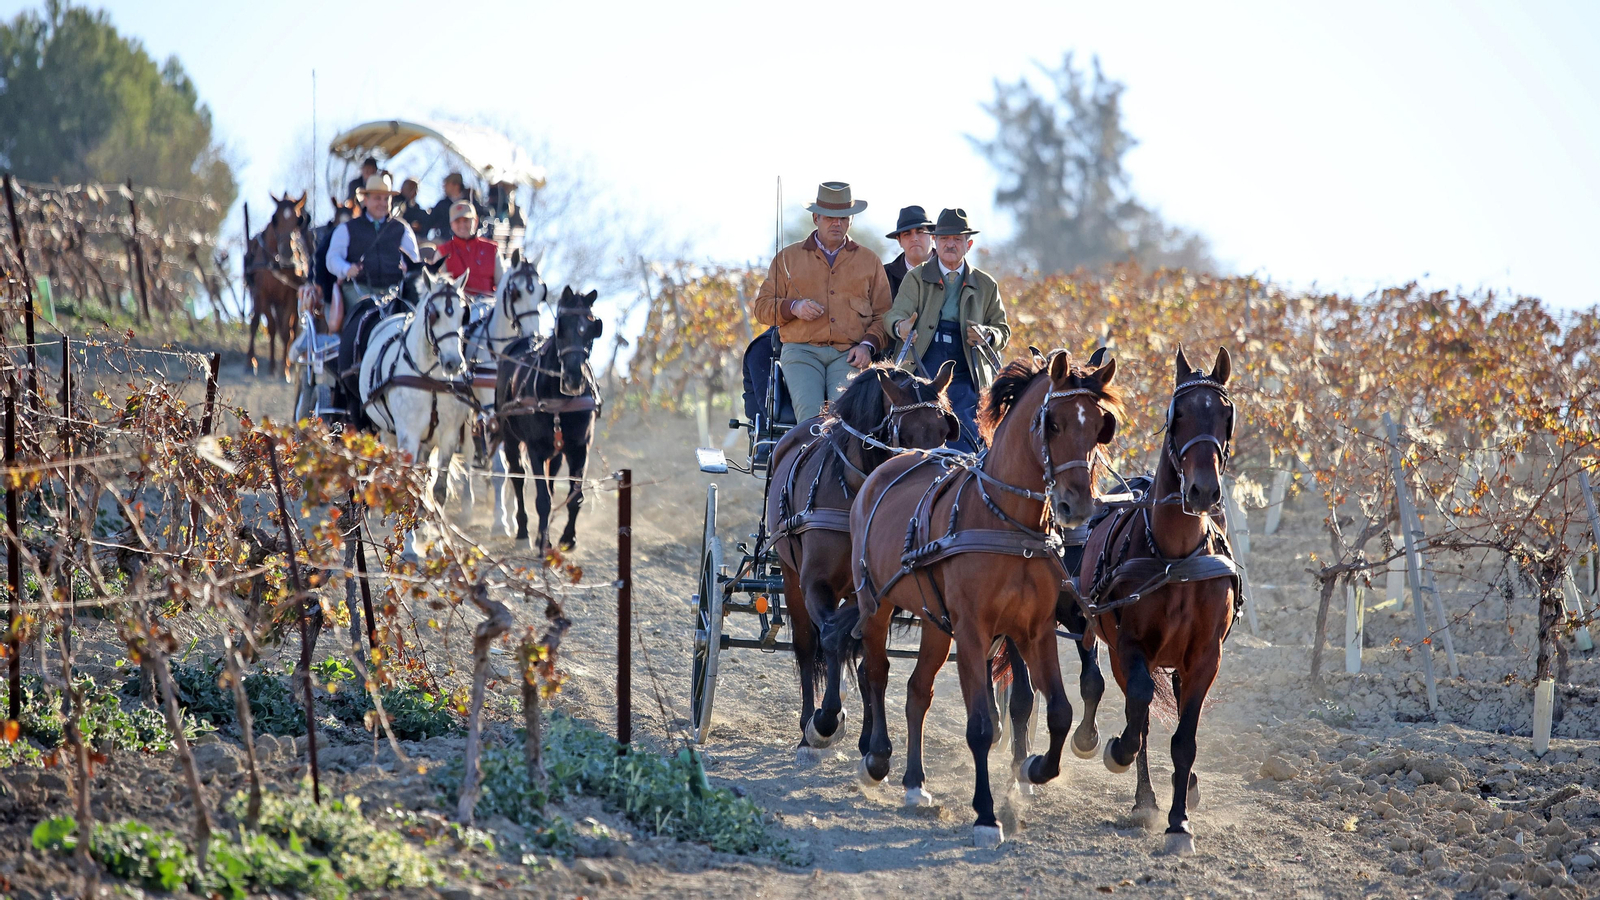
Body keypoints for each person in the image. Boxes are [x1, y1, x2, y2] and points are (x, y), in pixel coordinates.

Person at [752, 182, 893, 423]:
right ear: (816, 217)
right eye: (829, 217)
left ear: (851, 221)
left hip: (849, 354)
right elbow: (762, 308)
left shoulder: (870, 261)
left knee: (845, 421)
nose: (836, 223)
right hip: (801, 351)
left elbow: (884, 316)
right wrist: (793, 308)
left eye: (843, 217)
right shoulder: (787, 258)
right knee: (811, 420)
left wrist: (867, 346)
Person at [886, 208, 1009, 453]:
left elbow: (1002, 330)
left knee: (969, 431)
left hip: (966, 368)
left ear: (968, 244)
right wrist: (902, 327)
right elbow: (894, 315)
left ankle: (963, 483)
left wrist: (987, 335)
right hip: (921, 364)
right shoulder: (916, 278)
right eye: (944, 239)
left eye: (957, 239)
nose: (950, 244)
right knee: (916, 425)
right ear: (935, 241)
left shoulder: (986, 284)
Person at [434, 201, 504, 298]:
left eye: (466, 220)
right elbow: (438, 286)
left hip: (488, 306)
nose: (462, 225)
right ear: (451, 224)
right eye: (458, 221)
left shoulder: (492, 249)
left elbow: (502, 284)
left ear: (475, 221)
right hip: (456, 308)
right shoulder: (443, 251)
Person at [883, 205, 934, 297]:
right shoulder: (884, 276)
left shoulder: (951, 271)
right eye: (907, 234)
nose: (914, 238)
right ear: (899, 241)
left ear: (932, 236)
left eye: (920, 232)